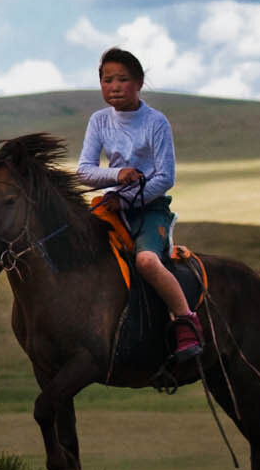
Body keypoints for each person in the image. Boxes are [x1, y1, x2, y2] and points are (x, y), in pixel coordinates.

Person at [76, 47, 205, 368]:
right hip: (111, 206)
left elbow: (166, 177)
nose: (114, 86)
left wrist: (130, 195)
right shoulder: (99, 121)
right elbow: (84, 171)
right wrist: (116, 176)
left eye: (122, 79)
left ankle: (186, 323)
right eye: (107, 80)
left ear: (139, 83)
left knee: (147, 261)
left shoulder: (155, 122)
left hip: (150, 209)